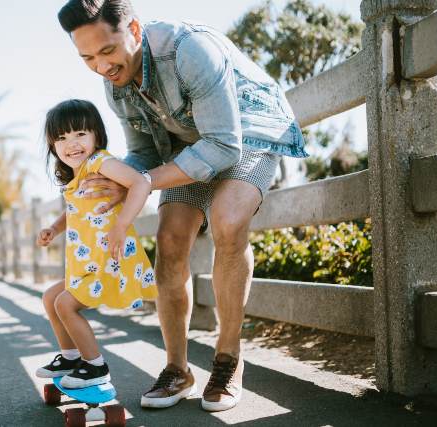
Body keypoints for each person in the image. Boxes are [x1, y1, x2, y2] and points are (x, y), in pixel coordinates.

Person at [57, 0, 308, 411]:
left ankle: (228, 359)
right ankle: (178, 369)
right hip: (187, 145)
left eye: (107, 51)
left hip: (248, 132)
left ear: (134, 30)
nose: (101, 66)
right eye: (87, 57)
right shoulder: (114, 80)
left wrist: (143, 181)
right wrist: (119, 180)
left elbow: (225, 145)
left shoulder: (189, 50)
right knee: (170, 239)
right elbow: (141, 151)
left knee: (227, 221)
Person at [34, 99, 157, 389]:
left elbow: (141, 183)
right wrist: (54, 227)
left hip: (109, 260)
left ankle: (95, 366)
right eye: (61, 138)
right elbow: (75, 209)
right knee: (51, 298)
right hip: (89, 263)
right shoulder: (77, 175)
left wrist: (121, 224)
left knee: (65, 304)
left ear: (96, 136)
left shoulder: (101, 162)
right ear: (53, 146)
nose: (71, 144)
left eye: (80, 134)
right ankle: (71, 357)